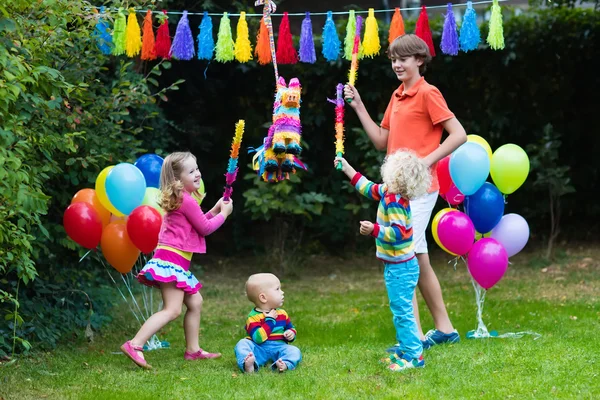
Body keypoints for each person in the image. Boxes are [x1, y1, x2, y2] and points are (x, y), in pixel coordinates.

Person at [343, 34, 467, 349]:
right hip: (396, 190)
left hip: (419, 189)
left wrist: (424, 162)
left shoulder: (428, 93)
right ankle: (444, 329)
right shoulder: (397, 95)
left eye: (404, 59)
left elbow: (459, 134)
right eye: (394, 59)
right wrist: (358, 106)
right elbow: (381, 141)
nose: (397, 64)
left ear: (420, 61)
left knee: (401, 255)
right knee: (418, 257)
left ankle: (412, 337)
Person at [120, 151, 233, 369]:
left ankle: (193, 350)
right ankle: (135, 344)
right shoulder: (186, 200)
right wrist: (224, 214)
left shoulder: (184, 199)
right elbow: (205, 228)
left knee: (195, 302)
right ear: (177, 179)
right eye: (191, 171)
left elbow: (198, 221)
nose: (198, 174)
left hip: (175, 262)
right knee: (172, 310)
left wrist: (216, 209)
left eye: (197, 168)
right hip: (171, 263)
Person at [335, 150, 431, 371]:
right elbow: (368, 187)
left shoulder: (397, 201)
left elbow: (399, 233)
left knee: (402, 311)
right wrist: (347, 167)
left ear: (397, 176)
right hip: (397, 266)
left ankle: (415, 356)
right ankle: (406, 349)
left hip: (402, 268)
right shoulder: (389, 192)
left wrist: (374, 230)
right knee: (399, 310)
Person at [234, 273, 302, 373]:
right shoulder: (253, 317)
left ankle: (283, 364)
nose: (282, 292)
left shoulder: (282, 313)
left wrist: (291, 333)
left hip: (279, 348)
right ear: (263, 298)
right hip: (259, 349)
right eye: (277, 289)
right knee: (242, 344)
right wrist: (269, 321)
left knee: (294, 350)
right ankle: (248, 364)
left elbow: (290, 327)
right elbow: (258, 338)